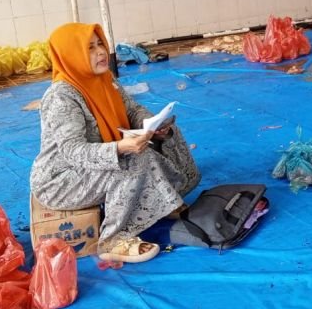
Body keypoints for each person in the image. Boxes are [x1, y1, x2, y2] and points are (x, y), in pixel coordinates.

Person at [30, 23, 201, 263]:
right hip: (61, 179)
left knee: (165, 136)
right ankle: (113, 239)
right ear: (70, 55)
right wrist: (120, 148)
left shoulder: (104, 79)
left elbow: (132, 109)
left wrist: (151, 124)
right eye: (89, 48)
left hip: (90, 165)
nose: (100, 52)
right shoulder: (62, 97)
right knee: (131, 161)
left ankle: (164, 199)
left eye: (100, 44)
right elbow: (72, 151)